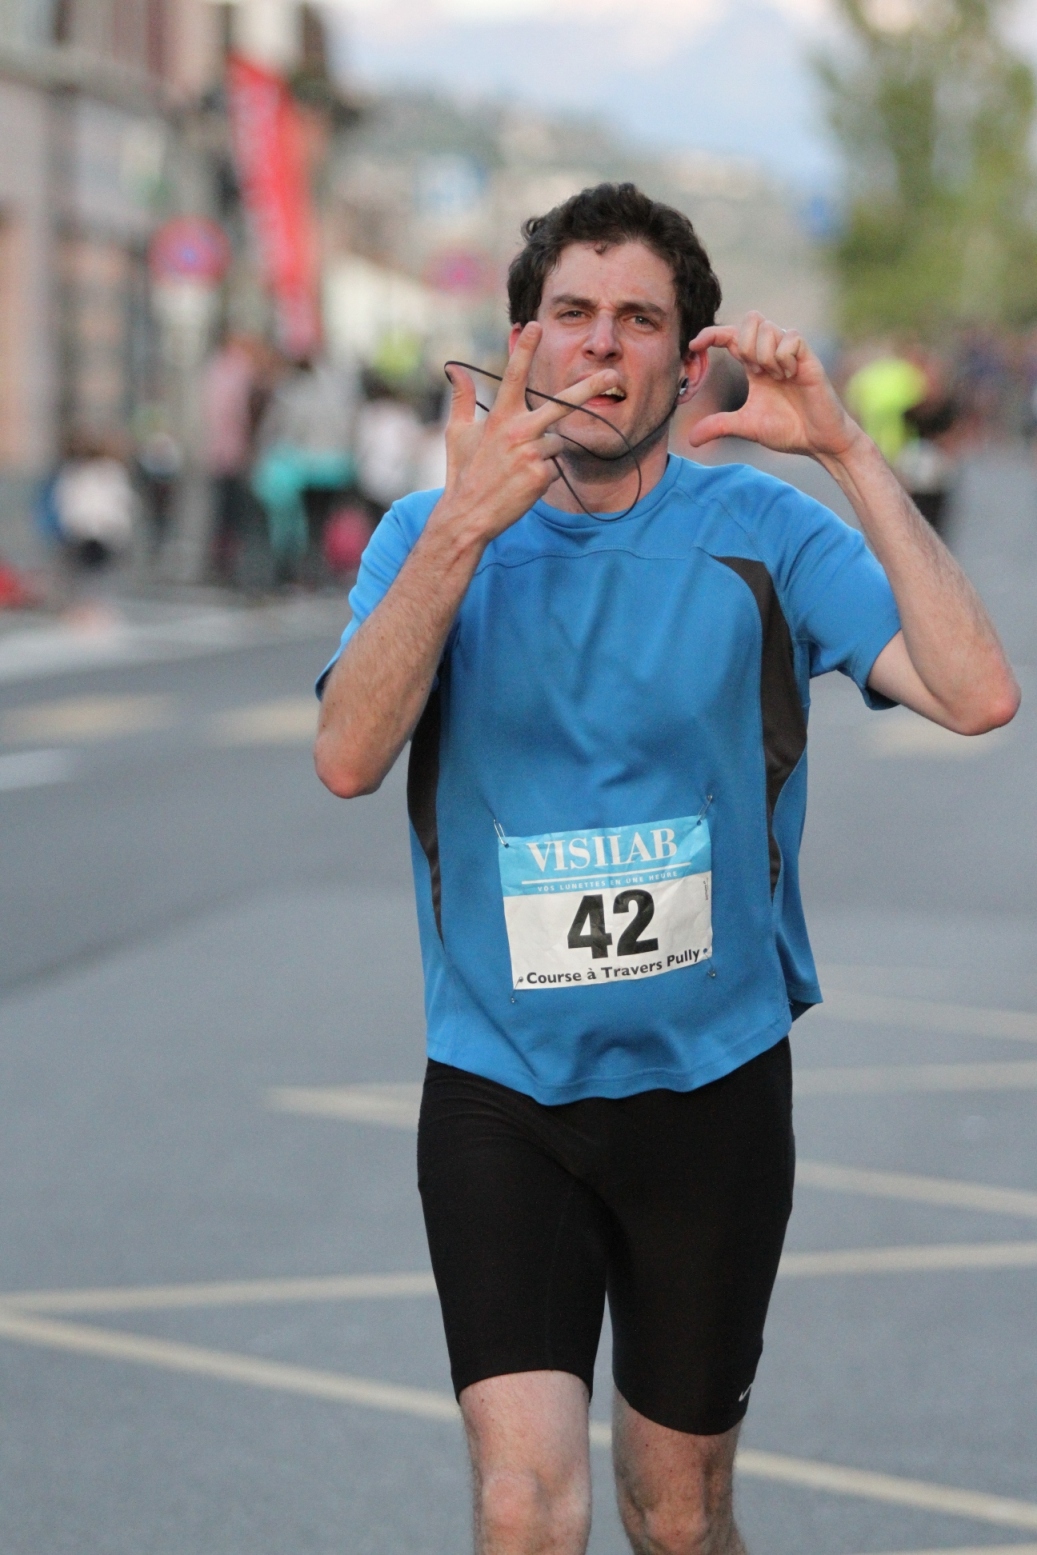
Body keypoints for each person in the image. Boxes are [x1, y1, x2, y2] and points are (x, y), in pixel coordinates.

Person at [314, 184, 1018, 1555]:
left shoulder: (761, 532)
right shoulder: (427, 537)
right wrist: (463, 526)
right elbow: (346, 757)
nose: (599, 344)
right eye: (570, 313)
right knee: (523, 1504)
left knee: (677, 1514)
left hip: (711, 1087)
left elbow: (977, 693)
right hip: (501, 1086)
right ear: (521, 342)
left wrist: (847, 452)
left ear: (687, 362)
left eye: (637, 320)